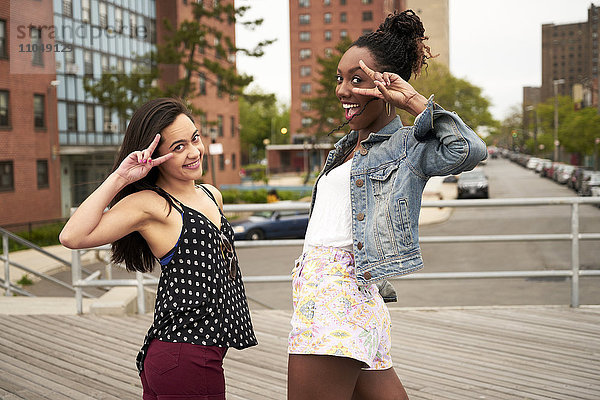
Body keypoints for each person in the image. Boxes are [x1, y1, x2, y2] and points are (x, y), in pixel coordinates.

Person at [287, 10, 487, 400]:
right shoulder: (345, 149)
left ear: (386, 86)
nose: (343, 90)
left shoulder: (406, 146)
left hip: (337, 300)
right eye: (340, 79)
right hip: (340, 295)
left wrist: (412, 100)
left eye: (357, 80)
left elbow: (468, 149)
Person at [59, 98, 257, 400]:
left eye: (195, 138)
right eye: (177, 147)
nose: (193, 152)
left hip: (195, 355)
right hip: (185, 356)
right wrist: (121, 178)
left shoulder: (211, 194)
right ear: (155, 156)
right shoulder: (153, 205)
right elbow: (71, 236)